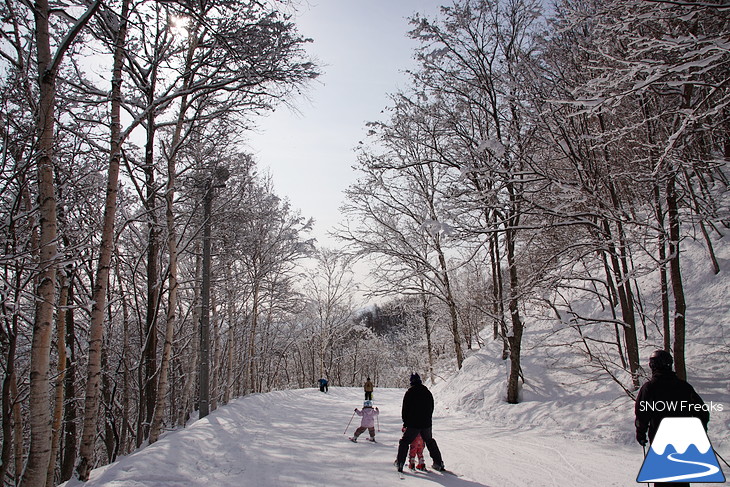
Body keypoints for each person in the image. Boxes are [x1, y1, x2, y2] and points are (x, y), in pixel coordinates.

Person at [634, 349, 710, 487]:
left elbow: (641, 415)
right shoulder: (684, 387)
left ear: (654, 366)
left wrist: (641, 433)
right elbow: (702, 412)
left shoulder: (649, 388)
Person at [395, 373, 445, 472]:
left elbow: (405, 409)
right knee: (430, 441)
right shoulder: (427, 392)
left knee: (405, 442)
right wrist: (428, 418)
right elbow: (431, 407)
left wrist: (405, 422)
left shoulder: (410, 392)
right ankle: (439, 463)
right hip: (426, 423)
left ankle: (400, 462)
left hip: (413, 424)